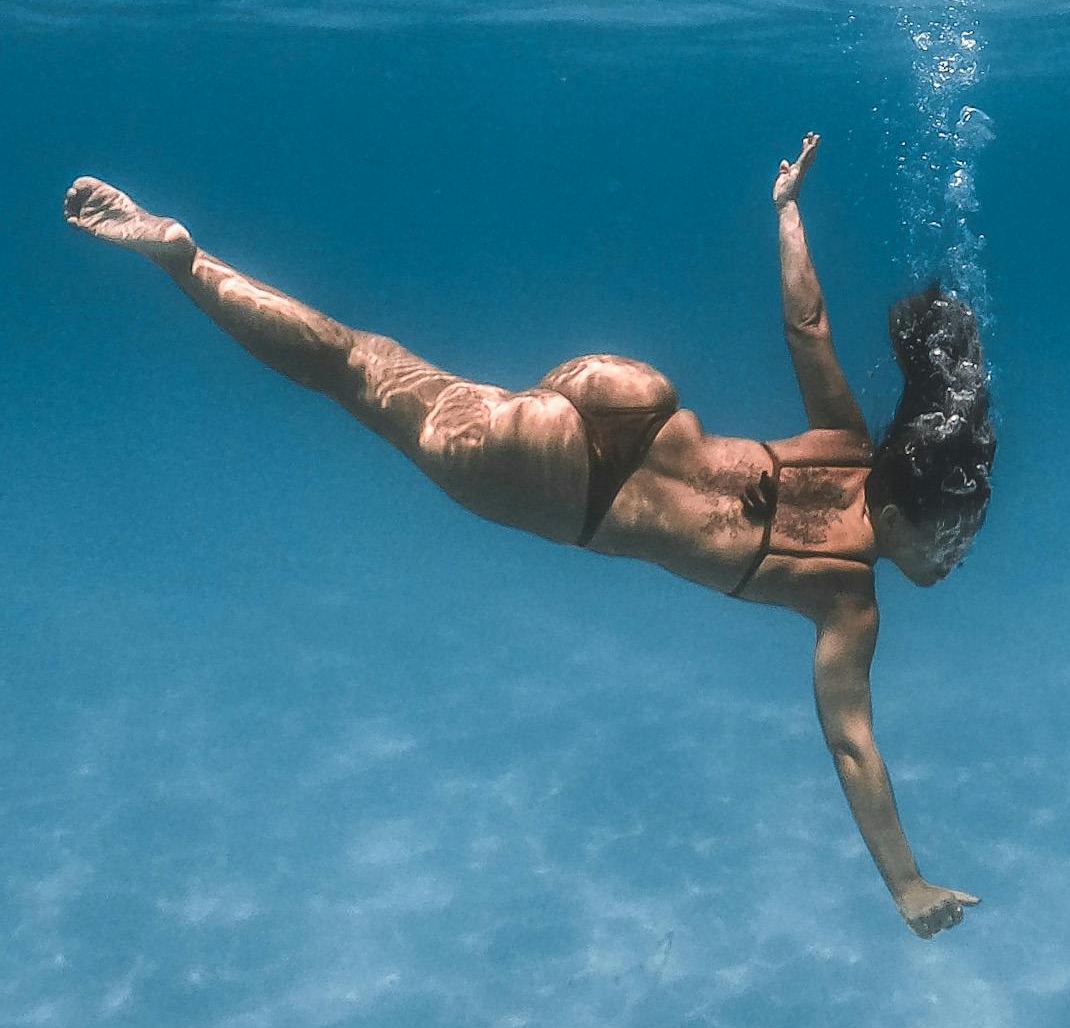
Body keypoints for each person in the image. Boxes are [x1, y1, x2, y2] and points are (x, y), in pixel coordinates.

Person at [62, 136, 994, 937]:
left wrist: (787, 209)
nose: (953, 563)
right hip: (568, 484)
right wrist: (904, 884)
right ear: (905, 514)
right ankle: (183, 261)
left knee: (366, 358)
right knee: (344, 372)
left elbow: (807, 325)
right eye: (948, 542)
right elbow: (852, 747)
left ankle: (193, 259)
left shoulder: (847, 442)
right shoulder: (847, 599)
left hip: (631, 394)